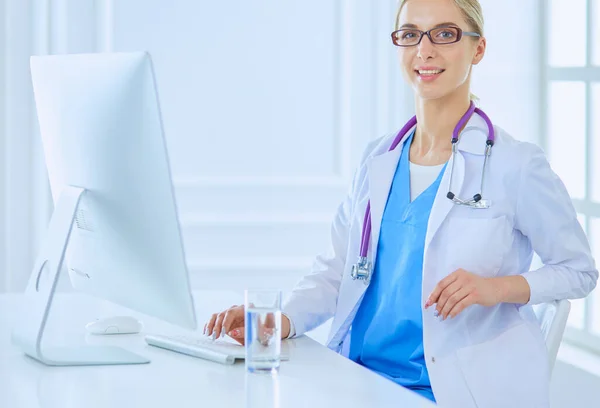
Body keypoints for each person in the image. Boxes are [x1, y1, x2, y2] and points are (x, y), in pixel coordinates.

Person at [204, 0, 598, 406]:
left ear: (477, 48)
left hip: (449, 390)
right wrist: (276, 321)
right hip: (357, 379)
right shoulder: (378, 160)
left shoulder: (516, 164)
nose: (424, 51)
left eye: (444, 34)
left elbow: (579, 271)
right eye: (410, 35)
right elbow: (337, 271)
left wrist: (495, 288)